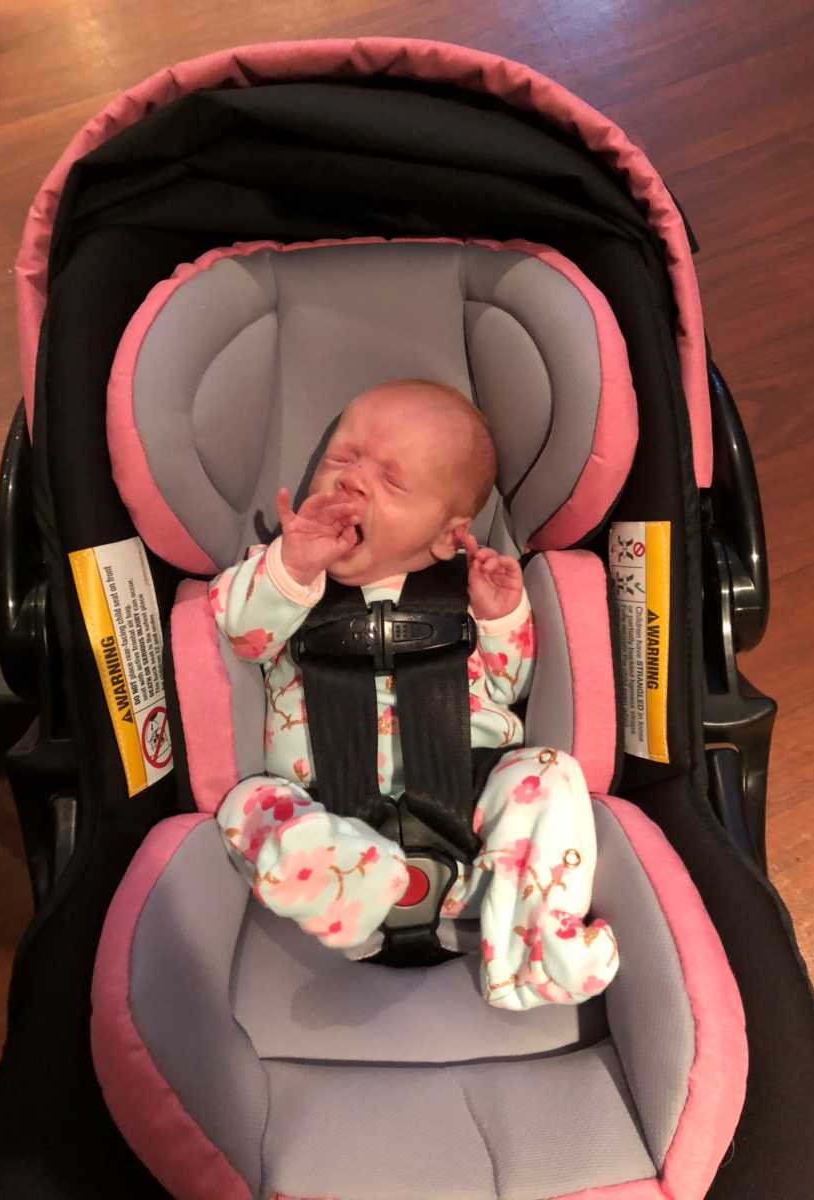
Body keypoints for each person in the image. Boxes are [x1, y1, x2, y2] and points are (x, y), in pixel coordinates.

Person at [209, 379, 618, 1010]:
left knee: (551, 773)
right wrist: (292, 566)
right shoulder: (285, 576)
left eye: (391, 481)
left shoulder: (466, 595)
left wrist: (503, 619)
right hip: (327, 819)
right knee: (248, 806)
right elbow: (240, 631)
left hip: (474, 826)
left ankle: (531, 948)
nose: (351, 482)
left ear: (445, 537)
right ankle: (361, 886)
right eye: (341, 460)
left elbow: (511, 687)